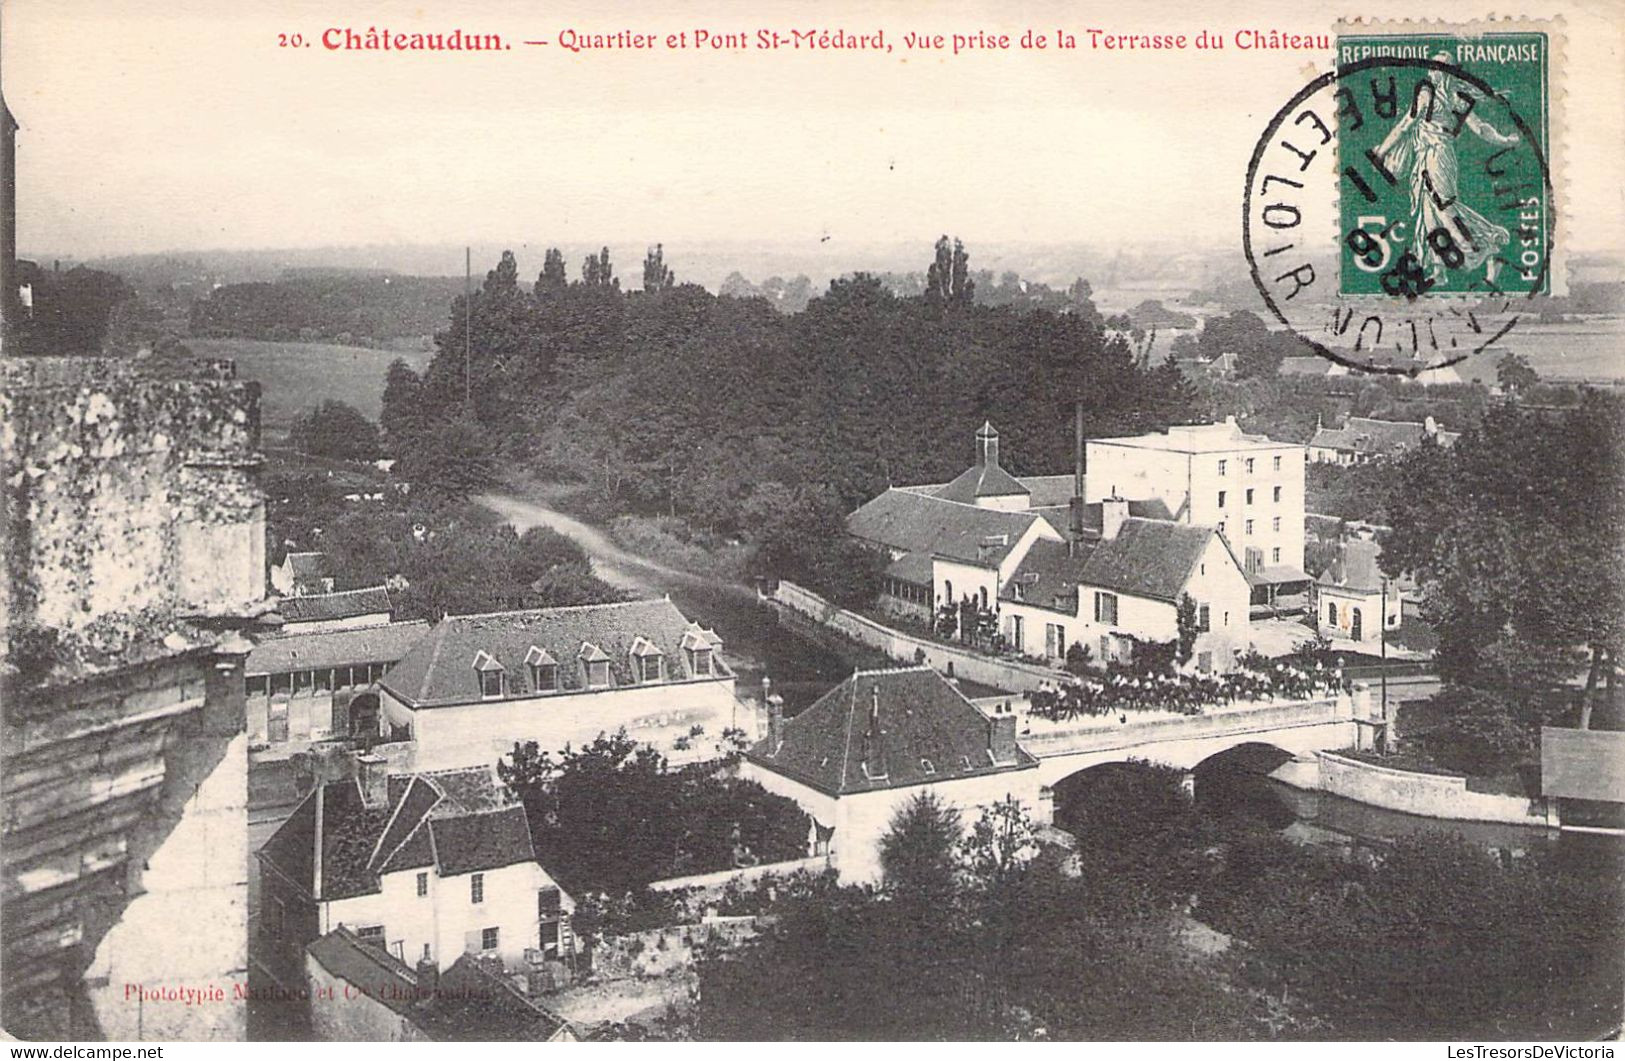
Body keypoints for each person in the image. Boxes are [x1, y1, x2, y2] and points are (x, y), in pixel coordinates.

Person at [1374, 53, 1521, 285]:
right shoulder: (1446, 96)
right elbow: (1480, 128)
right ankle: (1438, 268)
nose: (1436, 71)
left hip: (1437, 155)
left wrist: (1381, 153)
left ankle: (1486, 245)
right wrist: (1504, 140)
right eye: (1435, 67)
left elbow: (1405, 126)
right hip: (1428, 155)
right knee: (1429, 209)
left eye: (1440, 67)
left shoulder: (1437, 96)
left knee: (1443, 207)